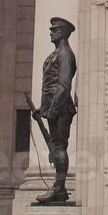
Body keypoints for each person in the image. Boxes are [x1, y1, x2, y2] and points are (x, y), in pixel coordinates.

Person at [31, 17, 77, 204]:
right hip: (54, 106)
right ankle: (60, 187)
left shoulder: (65, 54)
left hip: (61, 108)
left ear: (63, 33)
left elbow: (64, 85)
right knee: (58, 146)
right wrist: (43, 108)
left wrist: (52, 109)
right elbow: (51, 84)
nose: (51, 33)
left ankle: (58, 187)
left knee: (58, 146)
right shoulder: (57, 53)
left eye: (55, 30)